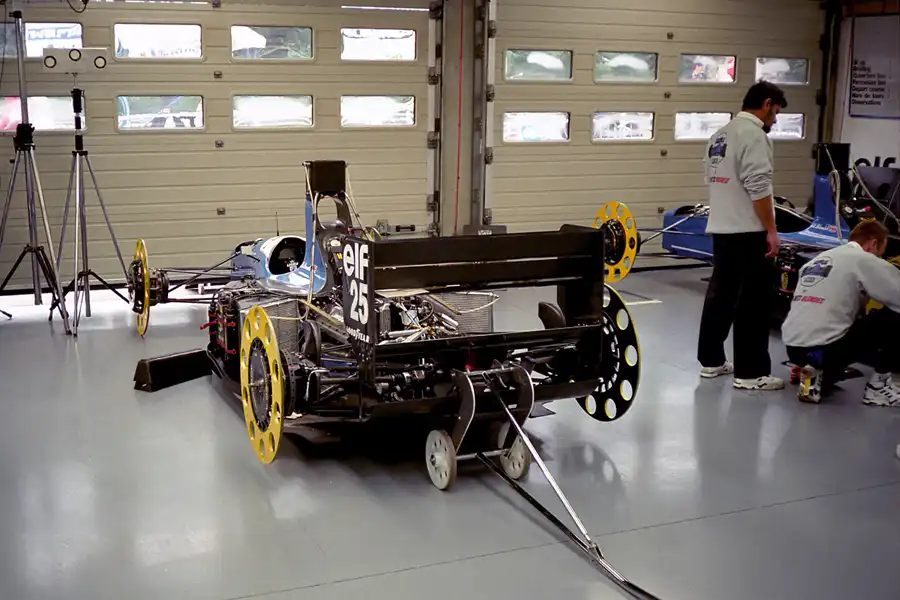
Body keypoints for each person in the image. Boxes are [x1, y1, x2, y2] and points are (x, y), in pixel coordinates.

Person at [697, 81, 788, 391]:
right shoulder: (754, 135)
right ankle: (751, 373)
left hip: (722, 229)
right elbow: (758, 186)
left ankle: (711, 360)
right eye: (775, 112)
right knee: (754, 302)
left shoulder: (719, 135)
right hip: (748, 232)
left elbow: (713, 179)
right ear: (767, 104)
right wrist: (771, 230)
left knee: (720, 297)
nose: (775, 120)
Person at [782, 221, 900, 405]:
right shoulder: (864, 259)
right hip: (826, 349)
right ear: (874, 243)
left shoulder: (818, 259)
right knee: (891, 318)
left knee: (835, 370)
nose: (880, 258)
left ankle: (813, 371)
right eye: (880, 253)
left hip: (794, 349)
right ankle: (878, 388)